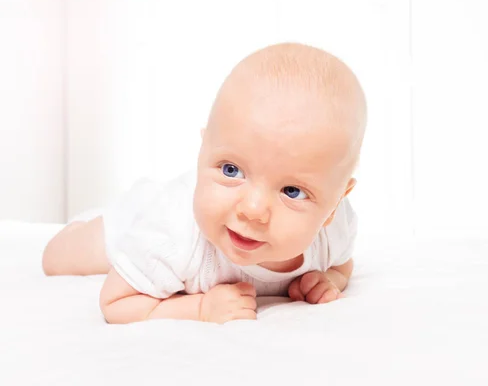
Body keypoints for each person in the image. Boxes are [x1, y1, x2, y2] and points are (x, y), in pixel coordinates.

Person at [42, 42, 367, 324]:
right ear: (203, 150)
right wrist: (198, 308)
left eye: (291, 191)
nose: (253, 210)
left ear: (334, 205)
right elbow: (114, 303)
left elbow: (343, 265)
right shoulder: (169, 235)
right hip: (138, 217)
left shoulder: (332, 233)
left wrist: (329, 280)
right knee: (56, 259)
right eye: (231, 170)